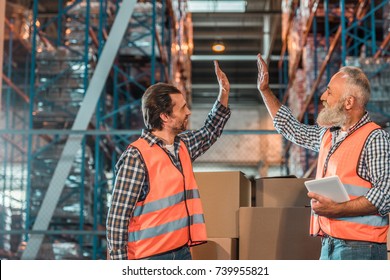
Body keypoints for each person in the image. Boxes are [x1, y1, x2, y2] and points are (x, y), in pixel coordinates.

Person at [256, 53, 390, 260]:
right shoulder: (330, 135)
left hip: (361, 248)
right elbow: (292, 128)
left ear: (348, 102)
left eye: (329, 92)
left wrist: (338, 209)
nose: (322, 98)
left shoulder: (374, 138)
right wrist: (265, 91)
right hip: (330, 244)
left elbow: (385, 195)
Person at [106, 61, 231, 260]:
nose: (188, 112)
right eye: (182, 108)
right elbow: (117, 219)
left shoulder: (183, 146)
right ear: (165, 116)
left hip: (181, 251)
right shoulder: (136, 156)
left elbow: (210, 131)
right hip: (149, 258)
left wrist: (223, 93)